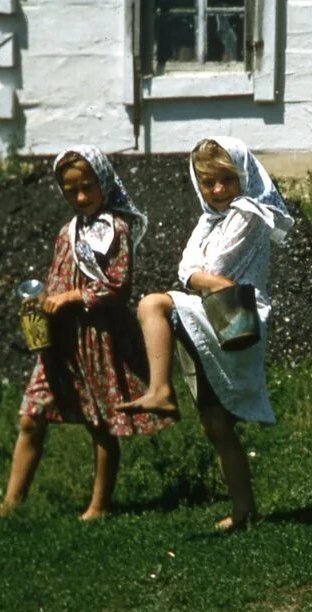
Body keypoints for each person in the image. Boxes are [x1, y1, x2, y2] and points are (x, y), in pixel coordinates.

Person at [118, 137, 293, 531]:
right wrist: (206, 280)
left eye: (225, 180)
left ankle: (160, 389)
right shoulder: (208, 219)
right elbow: (186, 269)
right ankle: (245, 509)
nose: (217, 191)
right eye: (208, 182)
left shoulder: (249, 213)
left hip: (239, 310)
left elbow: (210, 263)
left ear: (242, 176)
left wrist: (204, 277)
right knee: (215, 421)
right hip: (215, 307)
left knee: (152, 304)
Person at [0, 147, 172, 519]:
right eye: (71, 190)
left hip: (98, 335)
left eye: (87, 187)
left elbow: (119, 287)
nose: (80, 197)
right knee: (31, 415)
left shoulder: (115, 230)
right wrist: (44, 300)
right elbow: (58, 276)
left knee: (100, 422)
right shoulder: (68, 231)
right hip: (60, 340)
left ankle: (99, 505)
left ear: (103, 182)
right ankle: (10, 505)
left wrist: (72, 297)